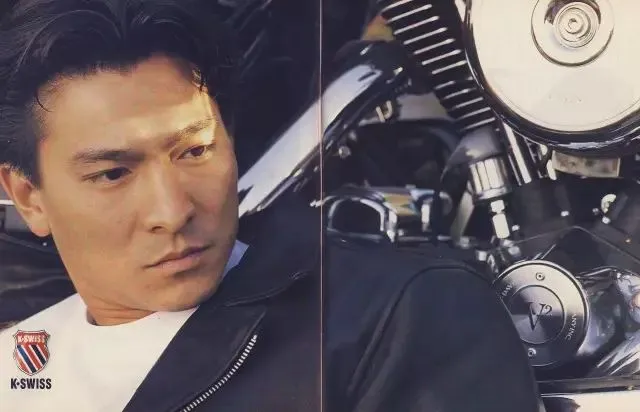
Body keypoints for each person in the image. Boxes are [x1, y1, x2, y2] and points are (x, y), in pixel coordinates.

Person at [0, 0, 545, 411]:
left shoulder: (394, 320)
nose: (172, 210)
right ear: (28, 197)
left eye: (195, 150)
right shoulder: (18, 365)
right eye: (113, 173)